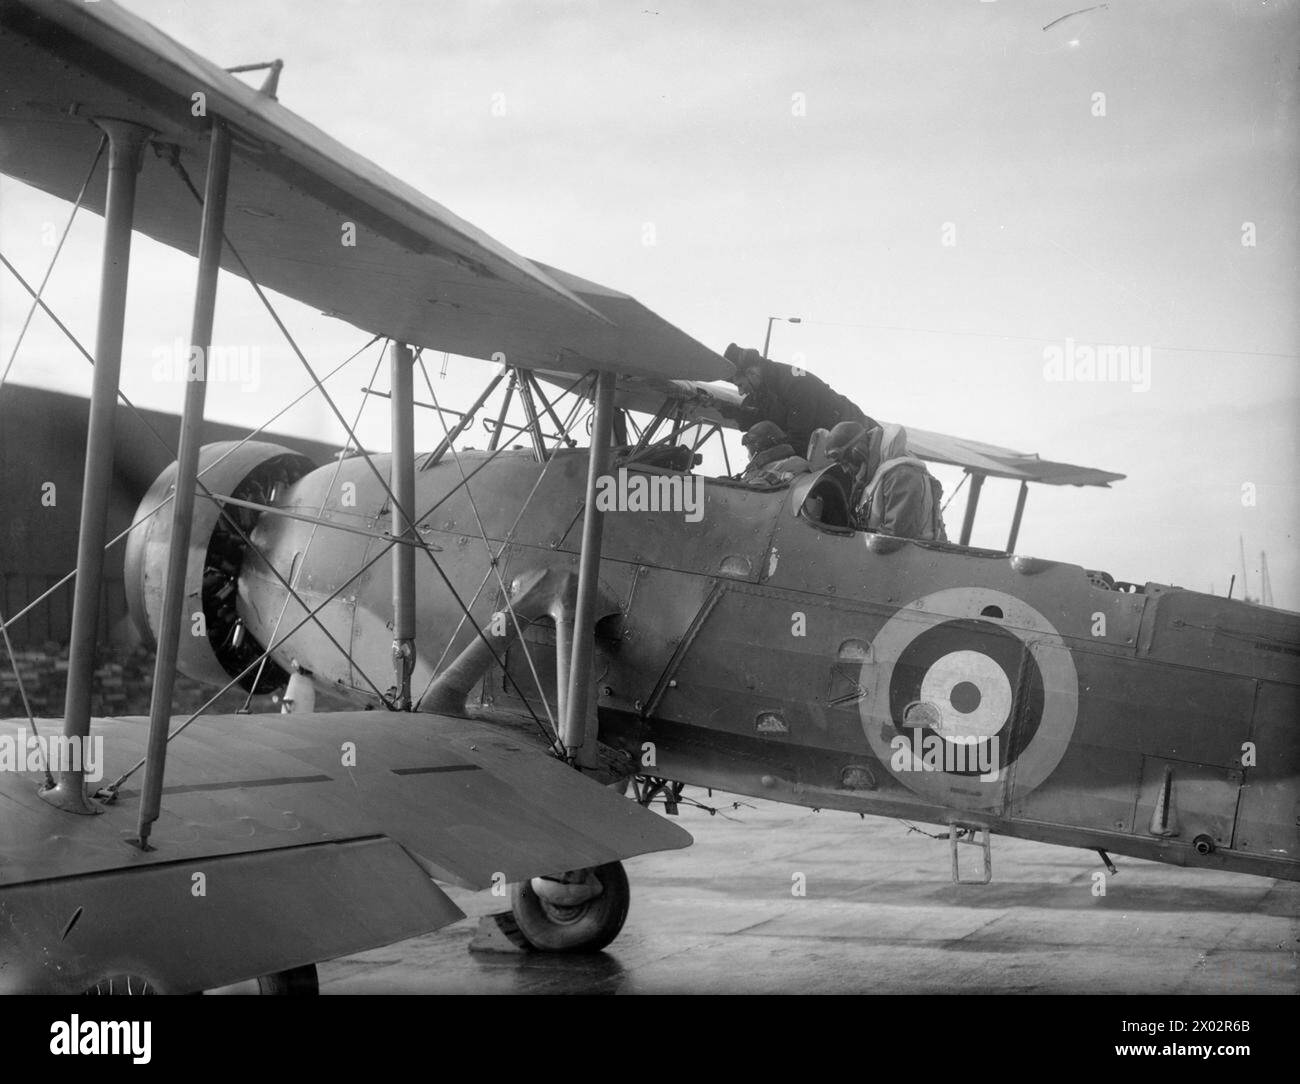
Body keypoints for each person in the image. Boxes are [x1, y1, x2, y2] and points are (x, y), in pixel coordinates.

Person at [717, 344, 874, 459]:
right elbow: (764, 423)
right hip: (833, 447)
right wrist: (734, 412)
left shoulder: (795, 384)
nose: (741, 392)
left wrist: (766, 458)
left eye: (740, 385)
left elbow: (799, 440)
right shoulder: (765, 390)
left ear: (751, 373)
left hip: (862, 440)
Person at [824, 421, 947, 541]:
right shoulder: (875, 475)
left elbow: (894, 538)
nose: (845, 470)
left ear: (858, 452)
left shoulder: (901, 475)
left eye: (845, 463)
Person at [737, 421, 810, 486]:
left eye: (749, 449)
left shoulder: (770, 470)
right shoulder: (799, 462)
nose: (748, 456)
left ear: (758, 448)